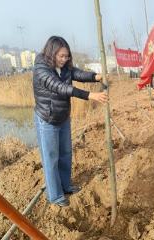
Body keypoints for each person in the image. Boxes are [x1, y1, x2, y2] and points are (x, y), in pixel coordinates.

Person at [33, 36, 108, 207]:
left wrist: (96, 77)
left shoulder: (65, 66)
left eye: (67, 56)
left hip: (63, 116)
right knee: (51, 158)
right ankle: (55, 196)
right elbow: (60, 87)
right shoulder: (41, 68)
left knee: (66, 153)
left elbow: (76, 73)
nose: (64, 59)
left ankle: (66, 186)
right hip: (47, 118)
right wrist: (90, 95)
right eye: (61, 56)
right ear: (51, 53)